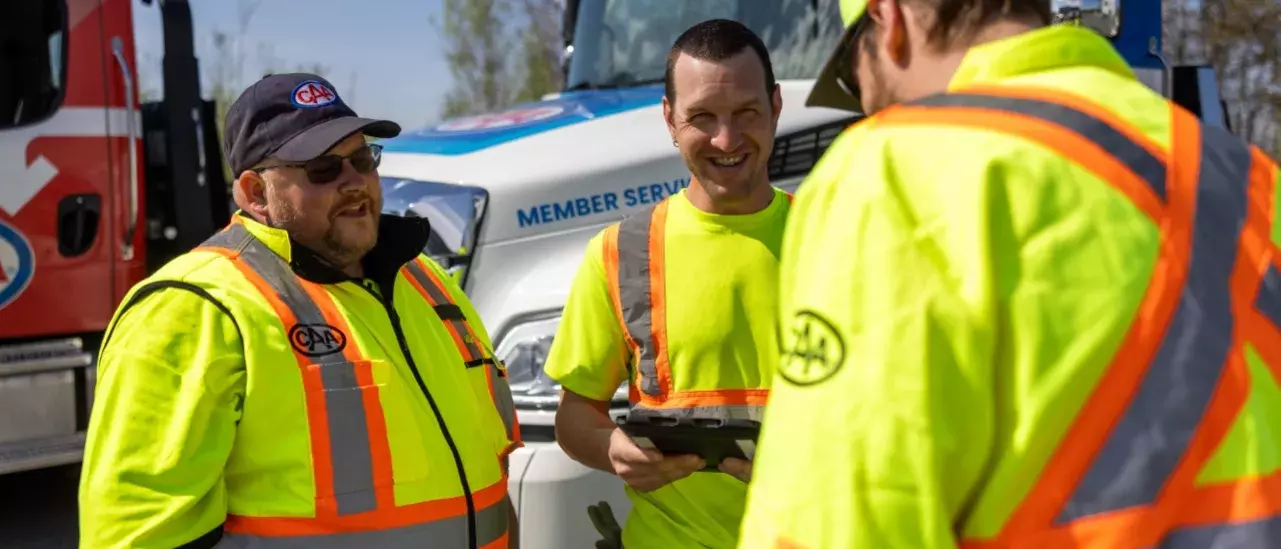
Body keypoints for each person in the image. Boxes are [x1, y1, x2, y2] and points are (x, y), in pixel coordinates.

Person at [738, 0, 1281, 546]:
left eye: (858, 86)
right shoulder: (1250, 179)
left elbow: (835, 523)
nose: (871, 109)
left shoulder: (896, 170)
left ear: (890, 20)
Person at [78, 73, 522, 549]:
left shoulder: (429, 282)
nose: (354, 181)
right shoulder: (194, 309)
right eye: (323, 169)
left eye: (361, 159)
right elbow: (138, 535)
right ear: (254, 194)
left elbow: (488, 478)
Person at [543, 18, 791, 549]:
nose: (726, 139)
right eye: (702, 117)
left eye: (746, 113)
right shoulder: (619, 254)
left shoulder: (837, 237)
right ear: (669, 118)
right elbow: (574, 418)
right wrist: (613, 449)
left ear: (775, 106)